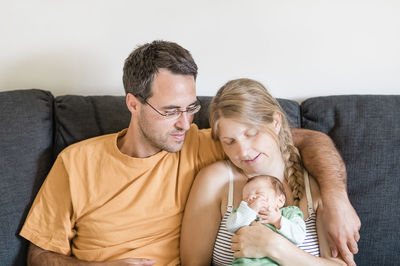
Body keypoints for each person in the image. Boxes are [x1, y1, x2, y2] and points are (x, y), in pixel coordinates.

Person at [19, 41, 359, 266]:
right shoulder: (77, 162)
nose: (184, 123)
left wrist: (336, 197)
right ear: (133, 104)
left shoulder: (208, 143)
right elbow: (39, 254)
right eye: (170, 111)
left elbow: (302, 140)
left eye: (191, 107)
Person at [180, 78, 358, 266]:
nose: (243, 152)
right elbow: (192, 264)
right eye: (230, 142)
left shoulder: (316, 182)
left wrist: (275, 247)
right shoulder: (215, 181)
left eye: (251, 134)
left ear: (275, 121)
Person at [226, 174, 306, 265]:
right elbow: (231, 226)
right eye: (246, 198)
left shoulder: (288, 213)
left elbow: (299, 236)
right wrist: (249, 210)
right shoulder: (243, 212)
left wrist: (278, 220)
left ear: (280, 200)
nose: (251, 198)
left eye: (259, 194)